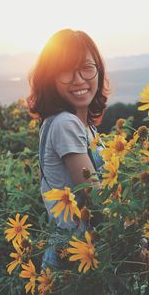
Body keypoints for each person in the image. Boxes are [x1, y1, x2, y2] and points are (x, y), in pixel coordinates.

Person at [27, 29, 109, 270]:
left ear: (98, 69)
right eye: (65, 70)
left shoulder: (85, 127)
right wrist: (139, 239)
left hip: (77, 252)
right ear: (50, 78)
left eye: (86, 67)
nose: (79, 79)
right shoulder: (65, 123)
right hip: (76, 260)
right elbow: (94, 196)